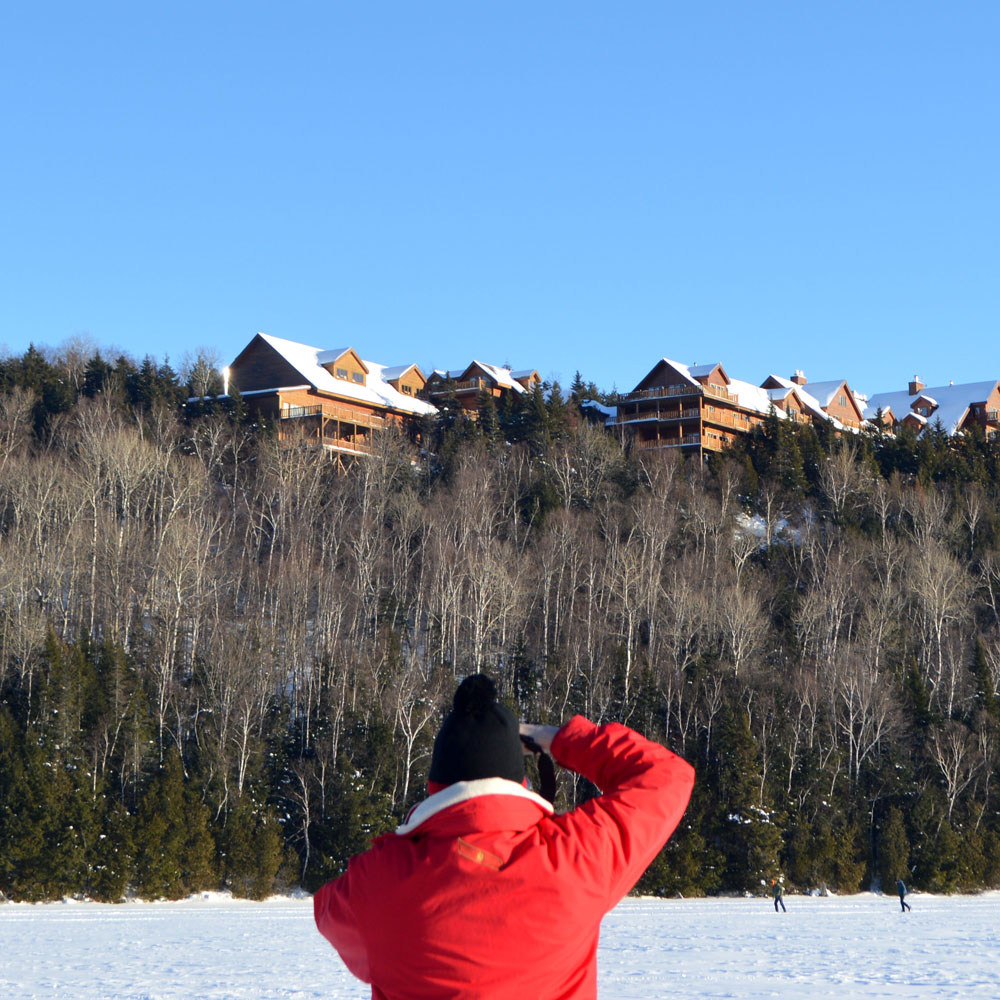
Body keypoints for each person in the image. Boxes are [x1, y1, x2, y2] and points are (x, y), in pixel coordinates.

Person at [314, 673, 695, 999]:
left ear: (435, 787)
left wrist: (402, 846)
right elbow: (665, 777)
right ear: (522, 781)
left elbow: (327, 911)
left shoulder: (380, 883)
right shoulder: (576, 859)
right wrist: (559, 739)